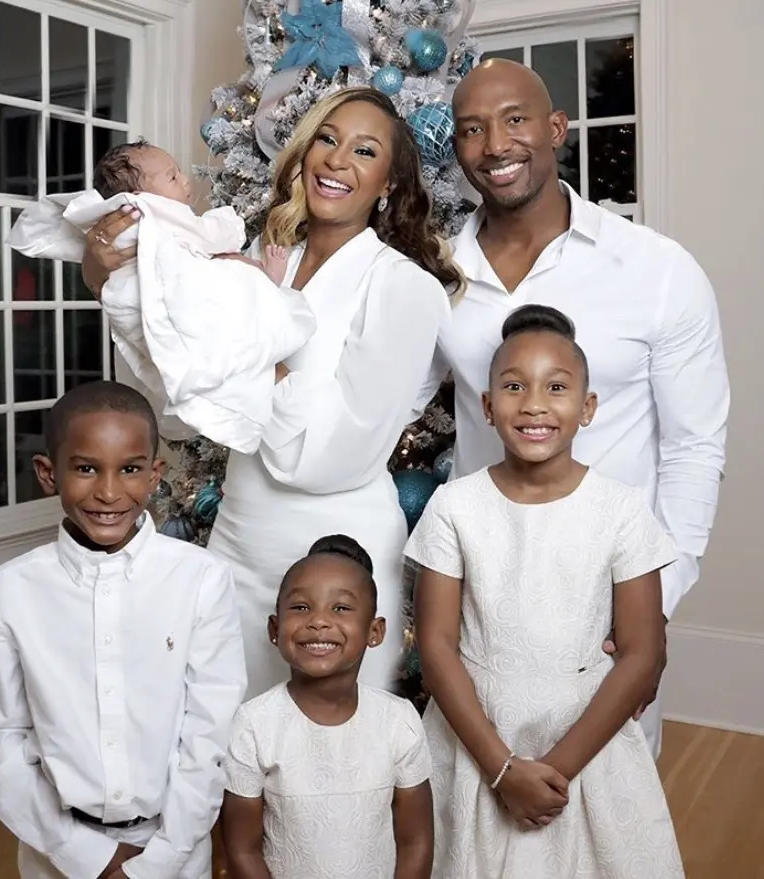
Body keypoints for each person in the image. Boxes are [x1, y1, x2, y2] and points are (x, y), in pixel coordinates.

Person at [80, 87, 462, 698]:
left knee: (330, 742)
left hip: (341, 563)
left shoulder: (404, 288)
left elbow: (335, 456)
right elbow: (181, 411)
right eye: (327, 139)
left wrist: (253, 355)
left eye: (365, 151)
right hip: (237, 542)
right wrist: (115, 288)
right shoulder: (258, 257)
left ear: (389, 184)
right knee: (225, 732)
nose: (337, 160)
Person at [417, 59, 730, 756]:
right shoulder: (435, 276)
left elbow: (694, 447)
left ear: (557, 129)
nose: (495, 145)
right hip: (481, 599)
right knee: (477, 792)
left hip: (609, 602)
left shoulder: (657, 270)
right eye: (472, 129)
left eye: (516, 120)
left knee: (607, 799)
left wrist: (655, 600)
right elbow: (386, 398)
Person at [406, 305, 685, 878]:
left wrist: (555, 771)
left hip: (586, 740)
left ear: (588, 407)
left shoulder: (621, 510)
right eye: (514, 386)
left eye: (556, 387)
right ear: (488, 407)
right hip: (477, 738)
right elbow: (435, 648)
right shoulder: (454, 507)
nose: (534, 404)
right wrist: (503, 770)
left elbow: (642, 653)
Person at [0, 381, 247, 879]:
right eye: (86, 468)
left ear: (155, 474)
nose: (109, 492)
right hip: (56, 854)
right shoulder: (7, 592)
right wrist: (86, 856)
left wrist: (162, 859)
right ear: (49, 474)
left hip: (174, 851)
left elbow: (208, 734)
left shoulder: (201, 580)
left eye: (130, 469)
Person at [8, 140, 315, 455]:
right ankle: (261, 309)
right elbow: (207, 239)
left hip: (171, 306)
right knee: (220, 302)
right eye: (172, 176)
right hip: (152, 301)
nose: (185, 180)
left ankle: (250, 329)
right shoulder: (143, 217)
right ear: (141, 196)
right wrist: (228, 228)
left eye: (179, 172)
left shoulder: (134, 223)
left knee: (226, 293)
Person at [221, 534, 434, 879]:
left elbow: (416, 842)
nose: (318, 621)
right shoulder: (254, 726)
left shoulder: (398, 721)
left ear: (375, 631)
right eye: (301, 607)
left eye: (341, 608)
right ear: (275, 628)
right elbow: (242, 850)